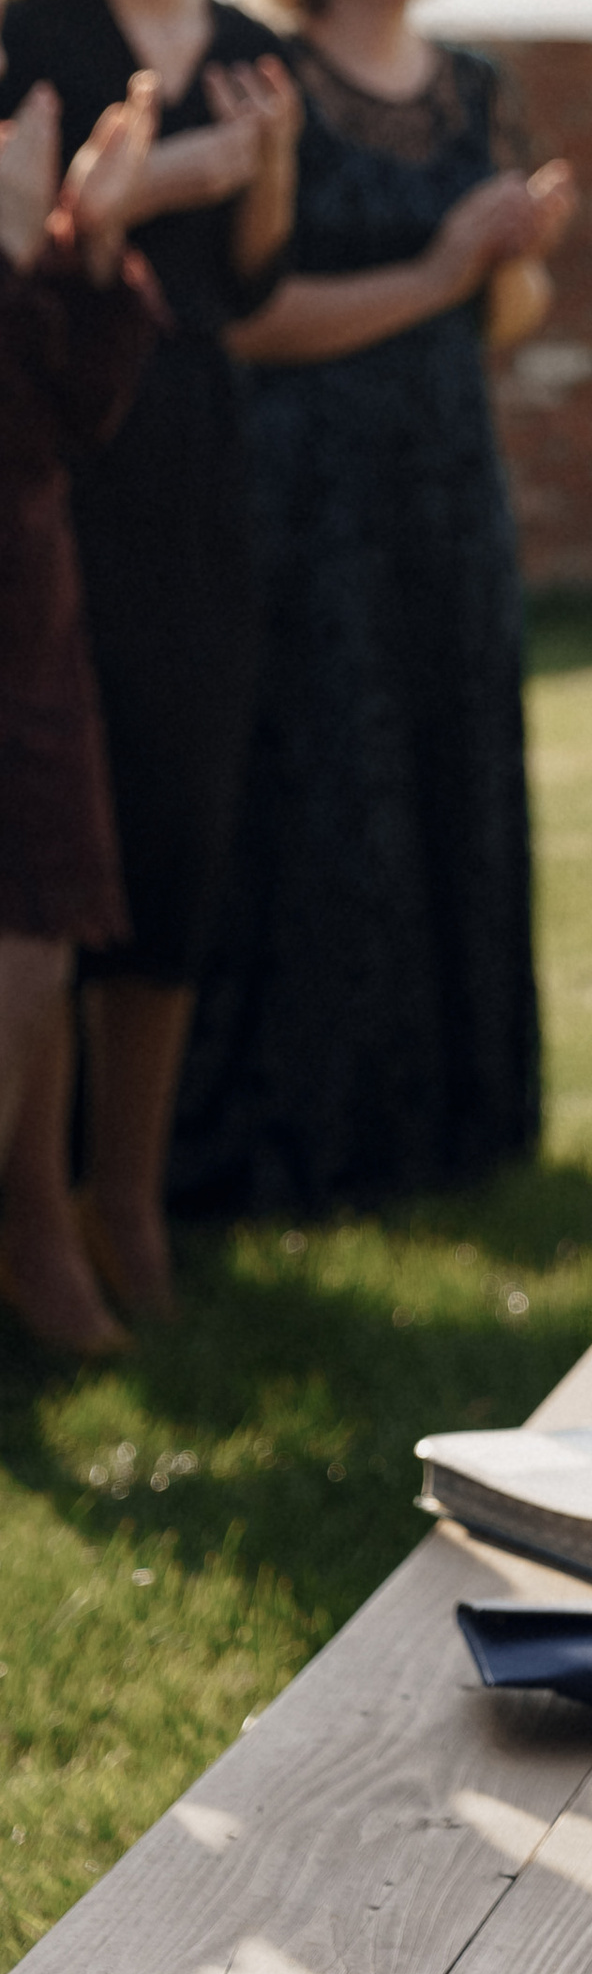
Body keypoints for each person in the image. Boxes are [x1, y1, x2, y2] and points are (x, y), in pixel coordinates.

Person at [170, 0, 578, 1218]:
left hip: (448, 488)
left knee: (455, 776)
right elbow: (251, 322)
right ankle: (323, 1146)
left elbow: (503, 328)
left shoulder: (475, 90)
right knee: (332, 792)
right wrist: (445, 259)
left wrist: (513, 265)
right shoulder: (262, 79)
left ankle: (464, 1128)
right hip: (306, 497)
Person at [0, 0, 301, 1334]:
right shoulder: (27, 40)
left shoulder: (251, 50)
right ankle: (36, 1217)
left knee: (177, 825)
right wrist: (169, 179)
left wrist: (264, 177)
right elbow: (30, 255)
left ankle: (130, 1191)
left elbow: (252, 289)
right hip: (57, 461)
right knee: (60, 847)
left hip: (194, 459)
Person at [0, 68, 160, 1350]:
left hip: (27, 623)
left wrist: (83, 251)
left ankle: (40, 1239)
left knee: (37, 933)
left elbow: (75, 415)